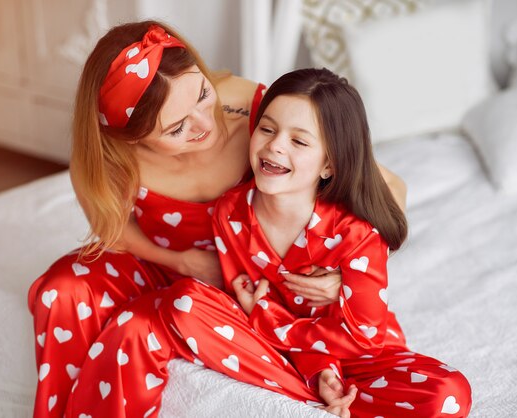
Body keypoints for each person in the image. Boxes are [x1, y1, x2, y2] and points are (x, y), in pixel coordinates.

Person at [27, 21, 407, 417]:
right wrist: (177, 261)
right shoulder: (111, 156)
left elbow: (386, 190)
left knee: (152, 319)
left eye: (203, 94)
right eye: (177, 128)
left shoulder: (259, 109)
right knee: (61, 289)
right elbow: (113, 227)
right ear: (132, 138)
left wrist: (346, 278)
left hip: (253, 284)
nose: (205, 124)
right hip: (170, 265)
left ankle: (309, 391)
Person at [164, 68, 473, 417]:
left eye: (299, 141)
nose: (275, 145)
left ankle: (316, 396)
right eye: (267, 129)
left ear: (328, 164)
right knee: (184, 304)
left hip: (356, 356)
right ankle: (313, 397)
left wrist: (271, 320)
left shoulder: (357, 232)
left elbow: (363, 338)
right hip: (274, 351)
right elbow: (243, 293)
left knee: (449, 393)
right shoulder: (230, 212)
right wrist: (317, 369)